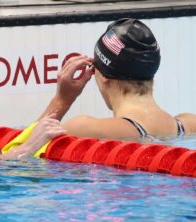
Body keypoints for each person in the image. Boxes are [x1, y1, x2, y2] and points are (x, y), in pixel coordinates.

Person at [38, 18, 187, 140]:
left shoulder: (83, 130)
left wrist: (61, 101)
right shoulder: (190, 125)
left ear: (103, 76)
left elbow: (22, 152)